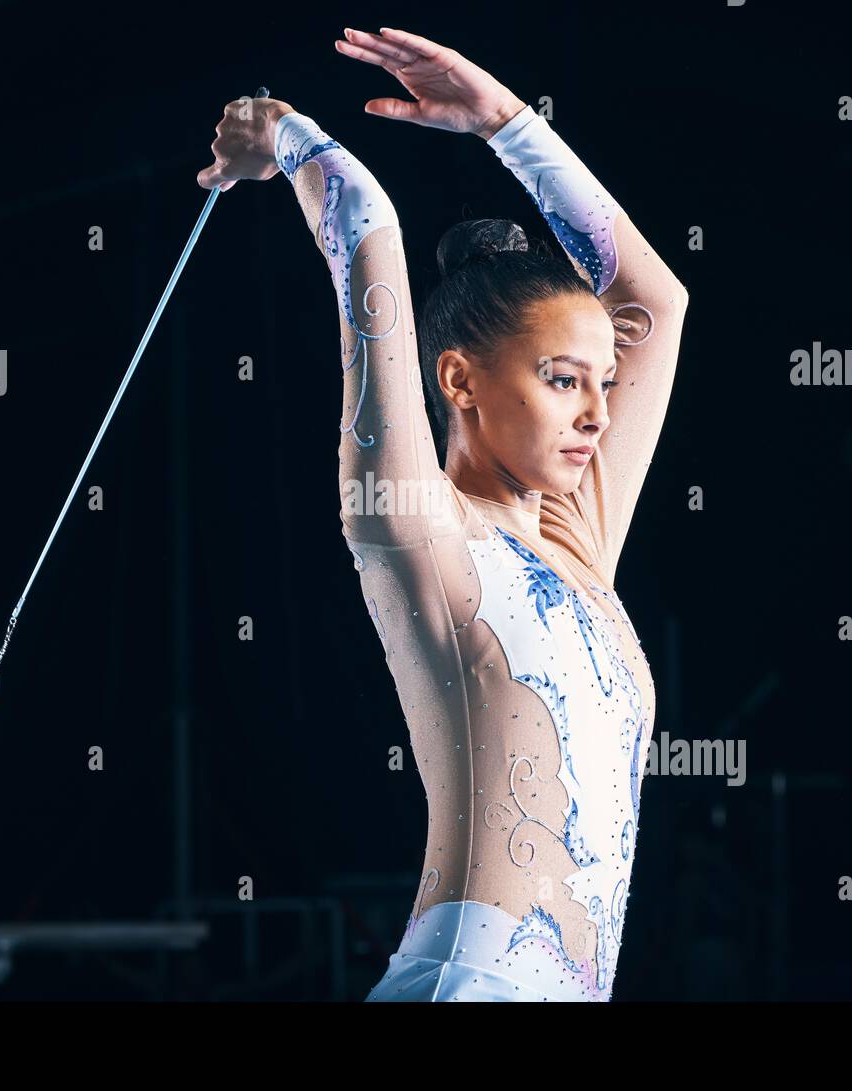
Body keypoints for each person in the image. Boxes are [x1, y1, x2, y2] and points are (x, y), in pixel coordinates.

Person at [198, 26, 688, 1001]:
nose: (598, 410)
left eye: (601, 381)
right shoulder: (416, 529)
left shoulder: (575, 547)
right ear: (458, 379)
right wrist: (285, 133)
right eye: (561, 379)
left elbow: (653, 299)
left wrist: (508, 124)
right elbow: (363, 220)